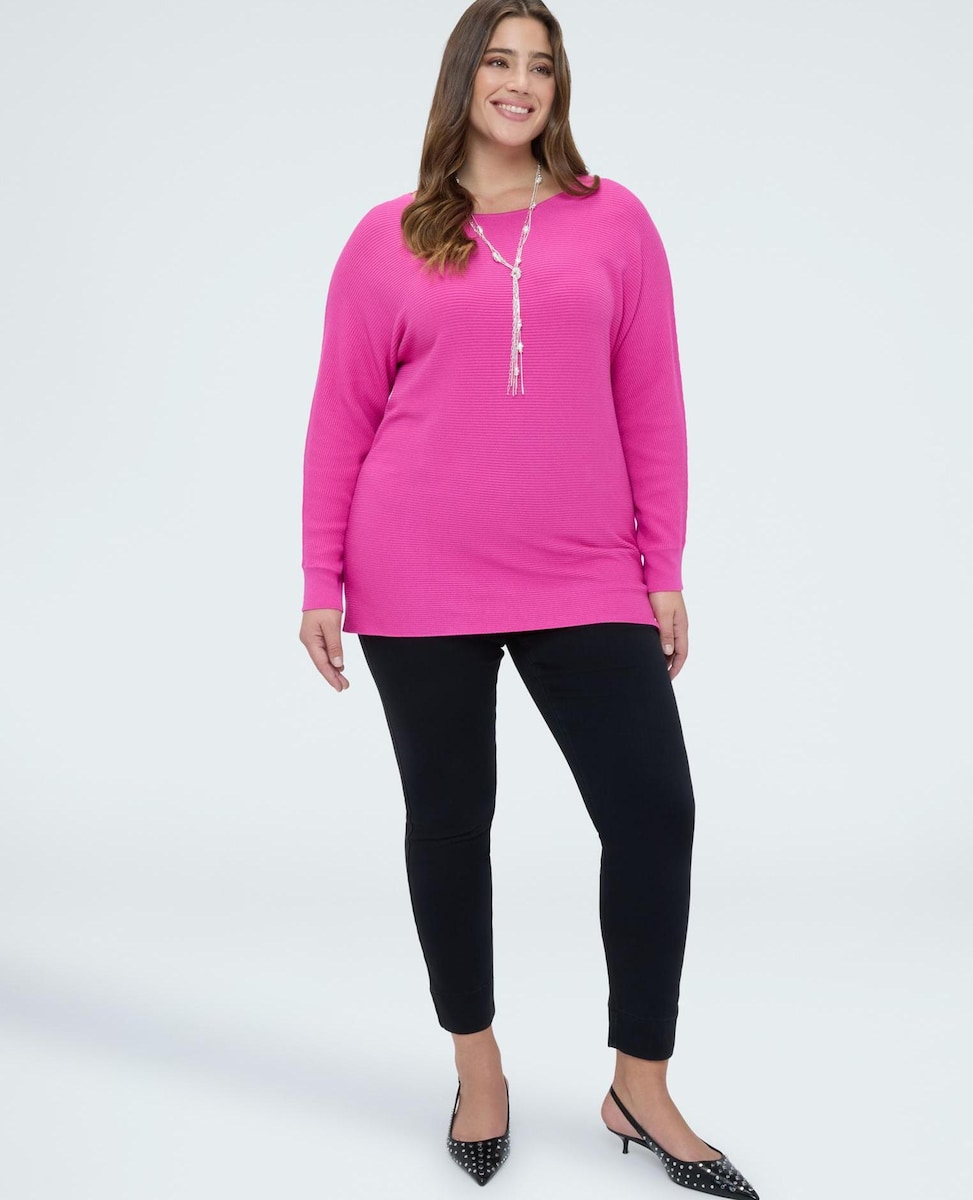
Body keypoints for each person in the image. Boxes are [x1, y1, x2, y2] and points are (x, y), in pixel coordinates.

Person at [298, 1, 759, 1193]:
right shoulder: (388, 238)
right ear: (463, 78)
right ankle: (478, 1066)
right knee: (452, 820)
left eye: (540, 66)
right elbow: (341, 414)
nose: (520, 82)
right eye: (499, 61)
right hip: (414, 569)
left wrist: (662, 567)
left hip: (582, 567)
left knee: (653, 811)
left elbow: (651, 401)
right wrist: (319, 577)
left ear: (558, 89)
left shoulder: (614, 221)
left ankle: (638, 1084)